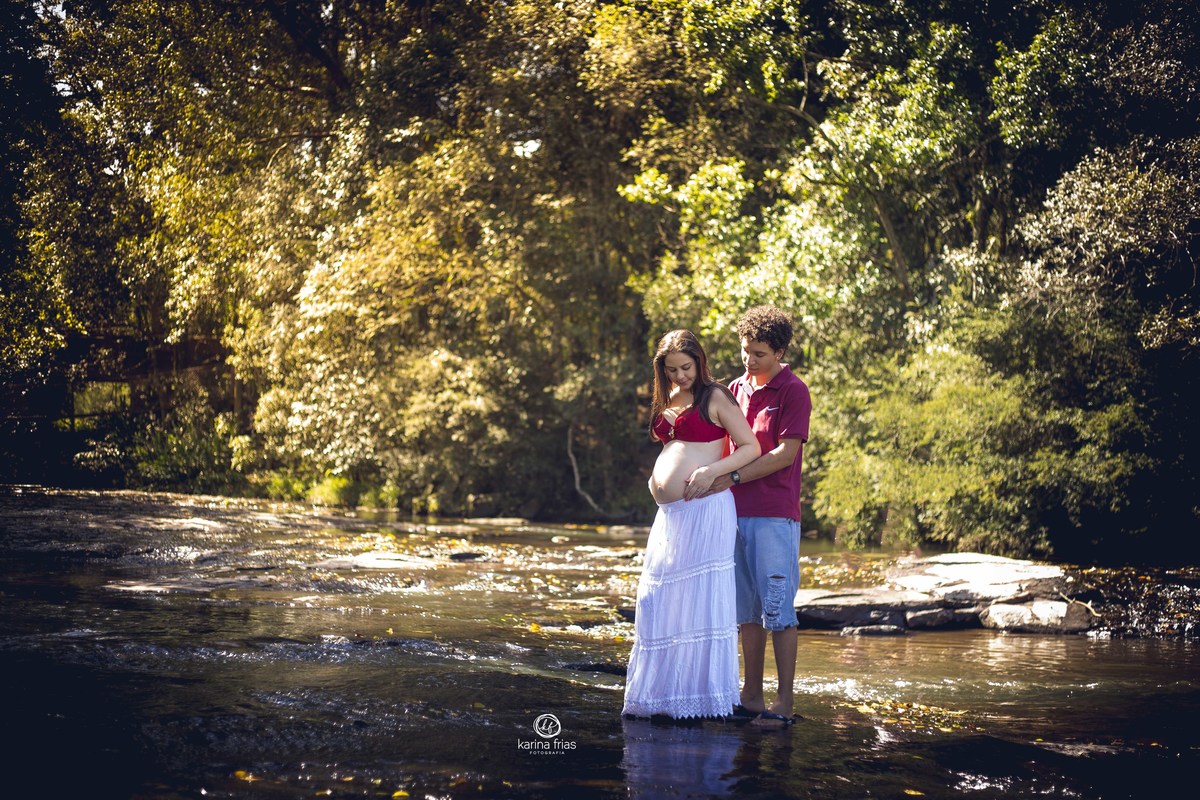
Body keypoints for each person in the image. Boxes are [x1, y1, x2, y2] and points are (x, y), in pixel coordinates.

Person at [622, 330, 761, 720]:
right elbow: (673, 446)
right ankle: (663, 696)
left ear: (700, 361)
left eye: (686, 367)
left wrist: (710, 471)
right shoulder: (671, 398)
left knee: (698, 599)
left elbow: (751, 447)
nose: (681, 375)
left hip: (705, 509)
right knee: (659, 600)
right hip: (671, 516)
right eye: (671, 370)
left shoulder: (715, 396)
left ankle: (701, 699)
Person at [687, 305, 811, 729]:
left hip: (774, 515)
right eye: (745, 351)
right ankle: (751, 695)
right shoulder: (733, 390)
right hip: (729, 515)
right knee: (746, 611)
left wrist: (734, 475)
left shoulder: (793, 391)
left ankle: (785, 703)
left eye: (758, 353)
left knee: (778, 610)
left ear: (779, 351)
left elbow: (784, 455)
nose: (749, 360)